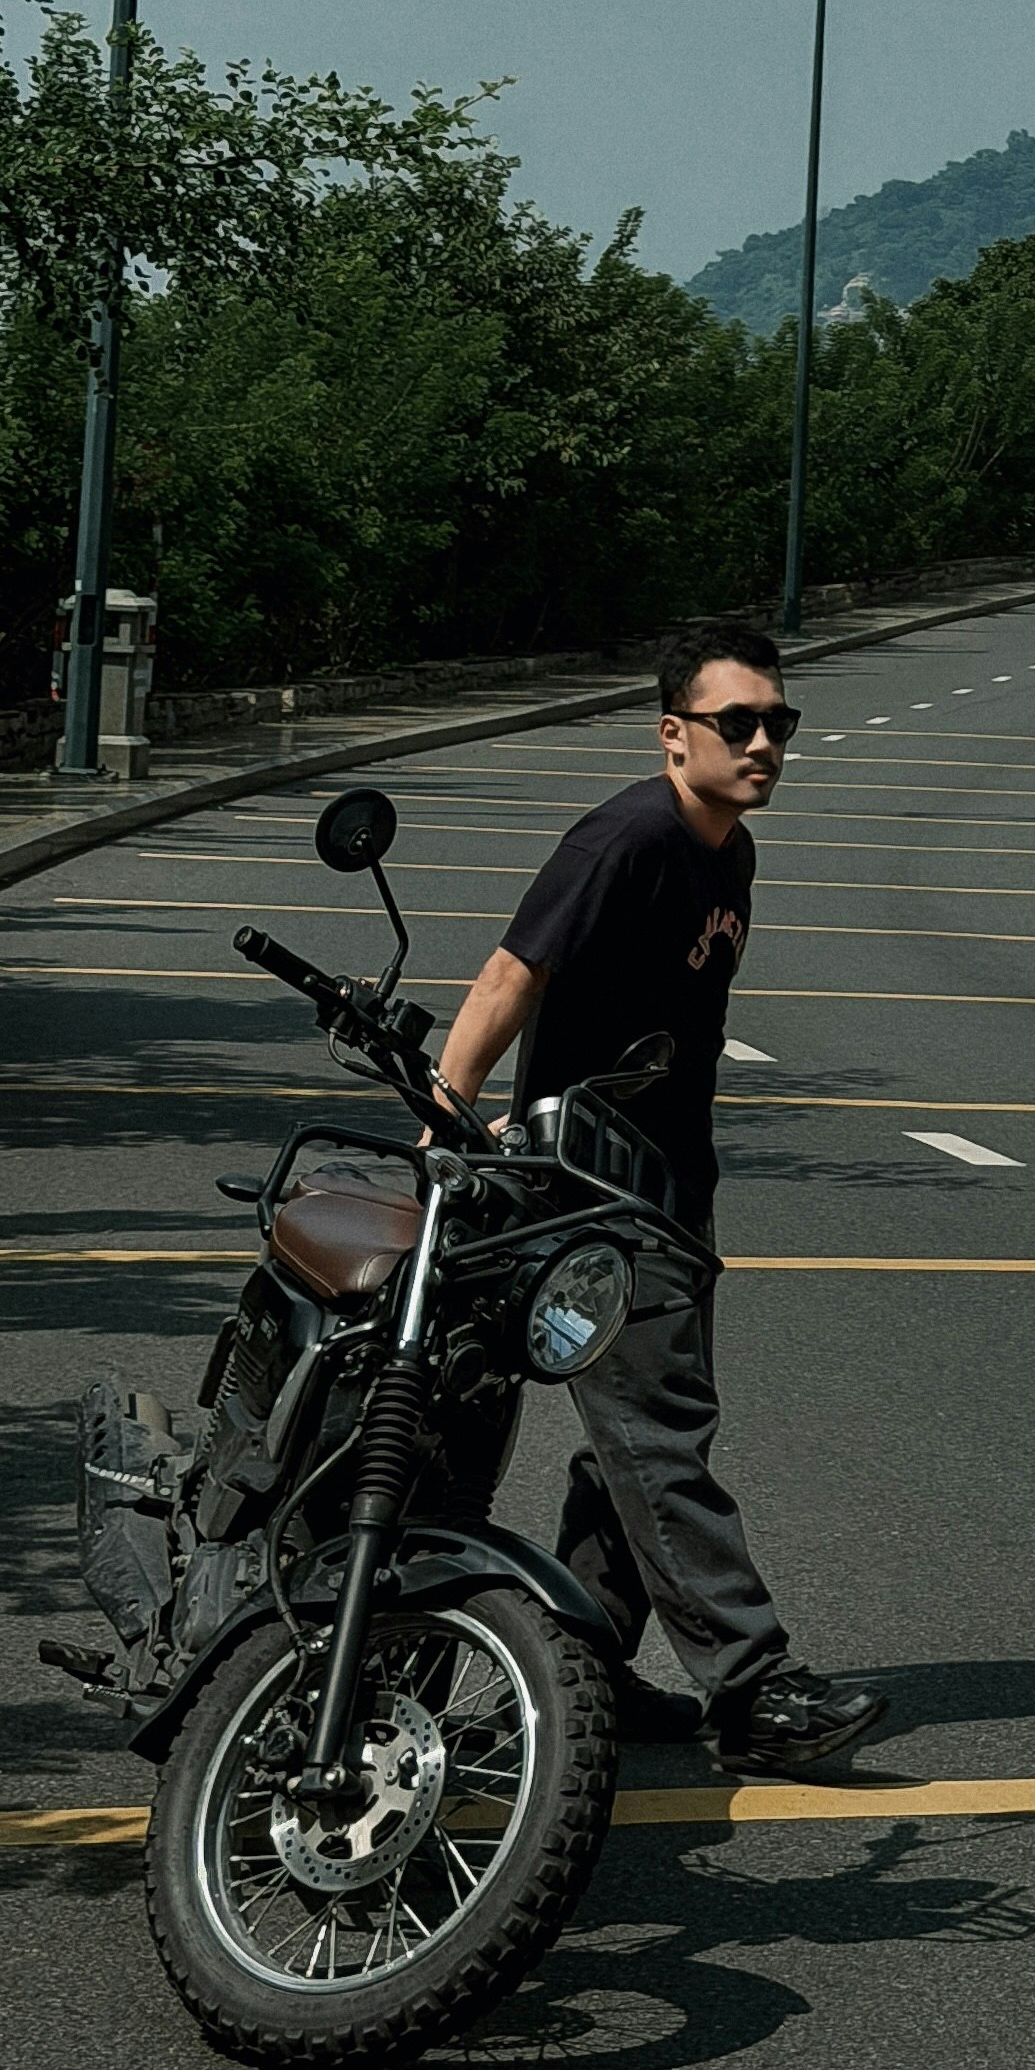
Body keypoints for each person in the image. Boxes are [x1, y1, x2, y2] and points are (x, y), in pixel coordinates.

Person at [429, 616, 888, 1776]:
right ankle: (750, 1685)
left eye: (780, 722)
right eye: (740, 723)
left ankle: (581, 1666)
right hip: (591, 1187)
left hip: (671, 1187)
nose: (766, 743)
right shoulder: (626, 837)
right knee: (653, 1433)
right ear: (675, 734)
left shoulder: (729, 851)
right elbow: (511, 970)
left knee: (635, 1445)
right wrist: (446, 1105)